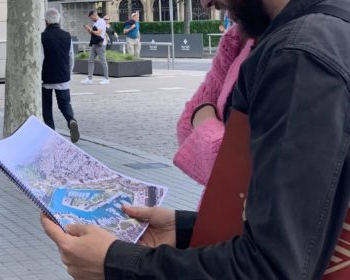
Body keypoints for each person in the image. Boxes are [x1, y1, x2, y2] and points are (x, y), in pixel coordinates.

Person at [42, 0, 350, 279]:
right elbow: (304, 222)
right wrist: (185, 229)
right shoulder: (325, 31)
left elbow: (270, 268)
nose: (205, 3)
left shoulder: (299, 57)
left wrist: (116, 263)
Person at [174, 24, 254, 186]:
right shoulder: (237, 37)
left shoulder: (293, 48)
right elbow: (185, 125)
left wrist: (203, 118)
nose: (206, 4)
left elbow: (234, 169)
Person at [41, 8, 80, 143]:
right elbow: (71, 57)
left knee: (46, 106)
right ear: (58, 20)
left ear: (46, 21)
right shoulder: (67, 35)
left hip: (46, 77)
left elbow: (41, 58)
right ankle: (71, 120)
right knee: (64, 103)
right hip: (63, 75)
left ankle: (50, 131)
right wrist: (69, 73)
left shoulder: (42, 37)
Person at [81, 11, 110, 85]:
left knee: (103, 61)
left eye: (91, 18)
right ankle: (89, 79)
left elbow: (98, 33)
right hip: (95, 43)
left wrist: (90, 29)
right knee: (90, 60)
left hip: (100, 44)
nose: (91, 19)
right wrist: (88, 29)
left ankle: (106, 79)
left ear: (94, 16)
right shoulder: (95, 23)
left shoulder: (101, 22)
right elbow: (93, 33)